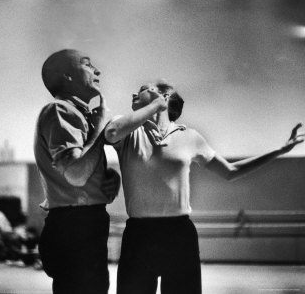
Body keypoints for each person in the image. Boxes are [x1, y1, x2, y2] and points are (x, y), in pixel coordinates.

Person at [104, 81, 304, 294]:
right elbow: (111, 133)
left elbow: (231, 171)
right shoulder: (127, 130)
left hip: (178, 233)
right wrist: (154, 106)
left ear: (164, 96)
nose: (135, 92)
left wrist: (280, 150)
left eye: (144, 88)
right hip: (140, 233)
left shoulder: (190, 137)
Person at [34, 49, 120, 294]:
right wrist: (101, 126)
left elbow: (81, 172)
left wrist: (108, 178)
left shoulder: (78, 115)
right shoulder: (60, 110)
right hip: (75, 227)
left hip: (80, 223)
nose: (97, 70)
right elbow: (76, 174)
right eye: (87, 64)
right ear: (67, 76)